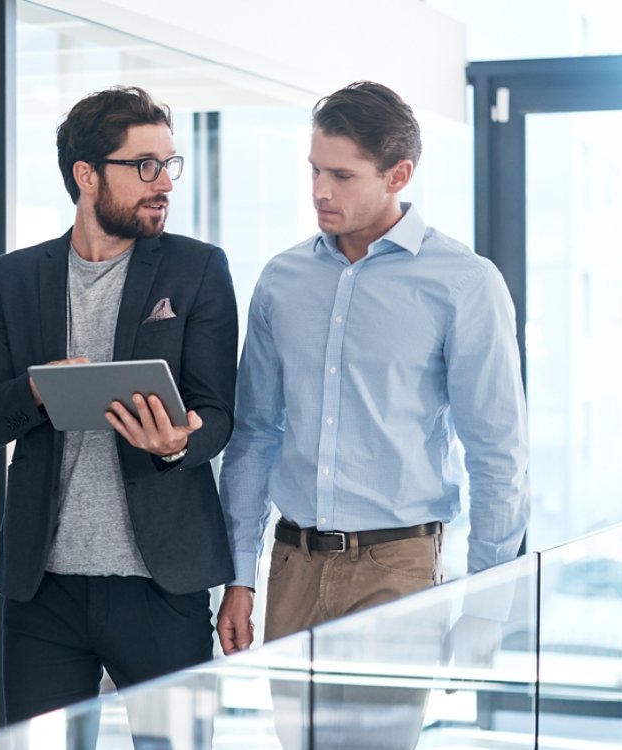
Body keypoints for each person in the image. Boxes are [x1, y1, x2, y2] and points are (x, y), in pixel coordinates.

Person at [215, 81, 529, 746]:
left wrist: (484, 609)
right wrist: (239, 576)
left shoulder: (464, 284)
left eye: (341, 175)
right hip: (293, 567)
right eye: (313, 171)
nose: (320, 192)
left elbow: (497, 454)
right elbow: (254, 435)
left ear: (399, 175)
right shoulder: (281, 280)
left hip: (397, 572)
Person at [0, 85, 238, 728]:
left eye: (169, 164)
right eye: (144, 166)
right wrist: (35, 389)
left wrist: (180, 443)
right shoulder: (15, 278)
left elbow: (218, 411)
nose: (162, 182)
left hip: (161, 583)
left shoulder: (198, 269)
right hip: (42, 588)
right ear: (86, 175)